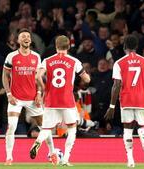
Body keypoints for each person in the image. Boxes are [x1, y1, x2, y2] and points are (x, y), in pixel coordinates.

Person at [29, 35, 90, 166]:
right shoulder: (74, 61)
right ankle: (65, 159)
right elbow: (86, 79)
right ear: (68, 47)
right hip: (67, 100)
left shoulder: (47, 60)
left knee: (46, 128)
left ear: (56, 47)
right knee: (72, 128)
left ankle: (38, 141)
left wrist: (44, 87)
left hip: (51, 100)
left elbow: (37, 76)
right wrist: (85, 76)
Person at [2, 28, 51, 165]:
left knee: (44, 126)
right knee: (11, 126)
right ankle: (9, 157)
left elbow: (38, 78)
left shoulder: (36, 56)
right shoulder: (11, 56)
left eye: (28, 36)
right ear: (18, 40)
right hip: (15, 98)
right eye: (23, 36)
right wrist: (8, 94)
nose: (26, 38)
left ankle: (52, 153)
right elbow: (5, 76)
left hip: (32, 98)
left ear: (31, 40)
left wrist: (39, 94)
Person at [105, 35, 144, 168]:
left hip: (126, 100)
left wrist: (112, 106)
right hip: (142, 99)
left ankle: (130, 160)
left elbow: (116, 85)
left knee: (127, 130)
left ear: (124, 46)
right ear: (137, 47)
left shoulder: (119, 63)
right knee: (143, 125)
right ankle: (143, 133)